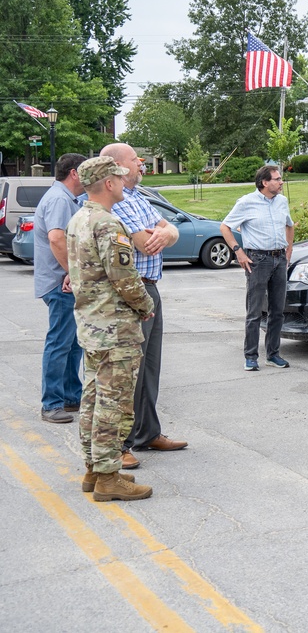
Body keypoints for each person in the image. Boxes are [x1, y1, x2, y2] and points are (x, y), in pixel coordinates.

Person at [66, 156, 155, 501]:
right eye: (118, 177)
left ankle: (93, 468)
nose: (123, 181)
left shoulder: (79, 219)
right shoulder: (107, 224)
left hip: (92, 324)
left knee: (93, 398)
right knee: (114, 403)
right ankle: (107, 477)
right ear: (108, 183)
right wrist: (146, 306)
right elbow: (124, 278)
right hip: (115, 327)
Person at [101, 143, 187, 468]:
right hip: (130, 293)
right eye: (137, 160)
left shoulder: (137, 197)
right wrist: (162, 234)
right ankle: (121, 444)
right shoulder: (114, 201)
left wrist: (167, 233)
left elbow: (169, 230)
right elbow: (142, 243)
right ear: (120, 167)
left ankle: (148, 432)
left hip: (152, 288)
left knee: (151, 366)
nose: (142, 165)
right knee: (128, 372)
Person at [220, 165, 294, 371]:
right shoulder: (246, 203)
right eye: (277, 179)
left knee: (277, 311)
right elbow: (225, 227)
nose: (281, 182)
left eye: (281, 179)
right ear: (264, 183)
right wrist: (238, 251)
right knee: (254, 312)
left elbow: (290, 225)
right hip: (258, 260)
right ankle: (251, 356)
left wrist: (288, 251)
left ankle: (273, 354)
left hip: (279, 259)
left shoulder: (282, 201)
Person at [34, 153, 86, 424]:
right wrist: (71, 273)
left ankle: (70, 396)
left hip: (62, 282)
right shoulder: (59, 199)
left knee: (72, 344)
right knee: (59, 343)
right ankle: (51, 403)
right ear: (75, 173)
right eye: (86, 171)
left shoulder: (67, 198)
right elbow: (56, 238)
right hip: (60, 284)